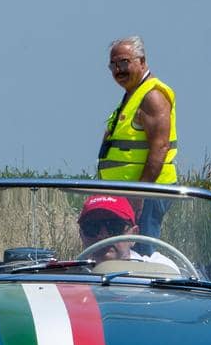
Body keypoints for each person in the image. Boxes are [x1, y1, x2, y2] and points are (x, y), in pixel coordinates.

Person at [97, 36, 177, 237]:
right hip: (127, 193)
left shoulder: (152, 96)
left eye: (124, 62)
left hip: (146, 192)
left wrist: (139, 192)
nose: (118, 70)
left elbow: (160, 147)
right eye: (113, 65)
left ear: (142, 61)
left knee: (142, 253)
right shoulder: (132, 94)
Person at [76, 195, 177, 270]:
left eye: (114, 226)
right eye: (92, 227)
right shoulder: (69, 279)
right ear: (81, 235)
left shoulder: (159, 268)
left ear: (134, 235)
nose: (103, 235)